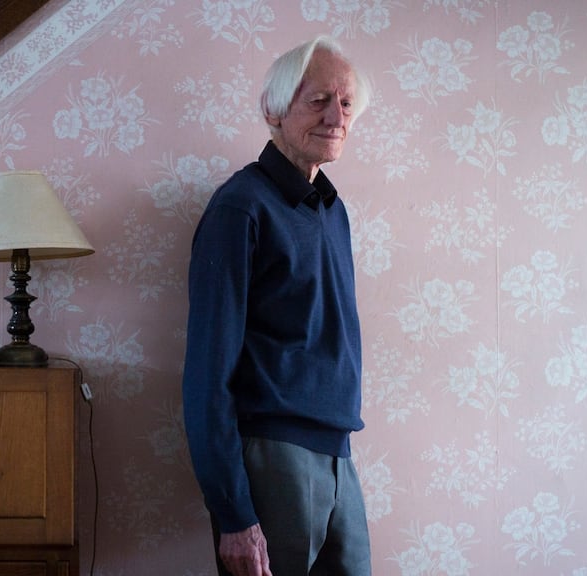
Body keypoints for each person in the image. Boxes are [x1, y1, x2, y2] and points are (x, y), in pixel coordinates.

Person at [182, 36, 373, 576]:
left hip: (340, 453)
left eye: (346, 103)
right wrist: (233, 513)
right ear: (273, 109)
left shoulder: (332, 210)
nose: (336, 116)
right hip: (273, 457)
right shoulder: (240, 207)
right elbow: (205, 374)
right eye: (318, 101)